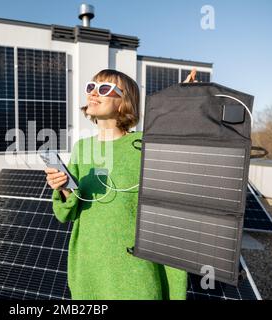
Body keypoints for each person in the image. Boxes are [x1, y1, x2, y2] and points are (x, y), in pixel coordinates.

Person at [44, 69, 190, 300]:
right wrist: (62, 188)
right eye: (91, 87)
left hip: (133, 271)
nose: (93, 93)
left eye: (104, 89)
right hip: (89, 265)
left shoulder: (144, 146)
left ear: (124, 103)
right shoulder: (82, 148)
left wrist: (183, 100)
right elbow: (67, 214)